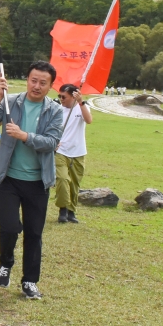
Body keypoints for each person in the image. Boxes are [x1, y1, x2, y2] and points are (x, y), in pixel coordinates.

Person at [0, 61, 63, 300]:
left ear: (50, 86)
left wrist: (24, 136)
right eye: (33, 80)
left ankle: (29, 281)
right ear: (27, 80)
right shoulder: (11, 102)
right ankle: (6, 262)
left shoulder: (55, 111)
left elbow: (50, 142)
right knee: (9, 226)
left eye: (42, 83)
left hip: (38, 182)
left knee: (34, 234)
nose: (36, 86)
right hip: (8, 178)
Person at [55, 84, 92, 224]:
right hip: (61, 151)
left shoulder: (82, 107)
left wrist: (81, 102)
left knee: (75, 183)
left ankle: (71, 211)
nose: (61, 99)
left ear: (73, 96)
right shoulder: (58, 109)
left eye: (63, 97)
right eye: (59, 96)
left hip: (78, 152)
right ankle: (62, 209)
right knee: (62, 179)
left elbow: (89, 120)